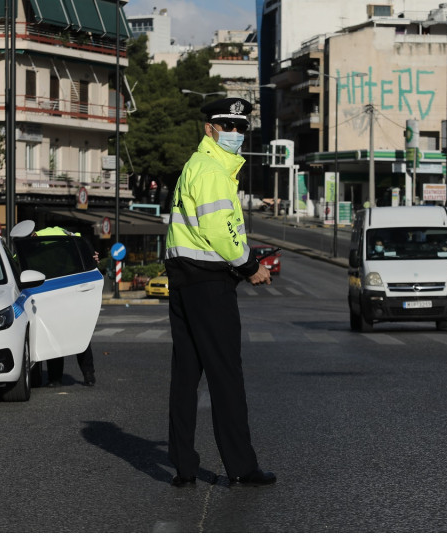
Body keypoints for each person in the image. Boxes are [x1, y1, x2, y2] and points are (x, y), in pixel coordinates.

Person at [165, 97, 276, 488]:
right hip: (209, 283)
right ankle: (242, 468)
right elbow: (219, 230)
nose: (234, 134)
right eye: (226, 126)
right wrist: (250, 267)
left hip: (183, 280)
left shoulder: (195, 167)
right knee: (226, 375)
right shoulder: (212, 170)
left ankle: (183, 466)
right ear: (209, 129)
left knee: (185, 376)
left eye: (240, 128)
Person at [34, 225, 97, 388]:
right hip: (62, 291)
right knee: (68, 335)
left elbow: (77, 236)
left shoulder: (45, 236)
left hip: (62, 289)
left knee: (64, 335)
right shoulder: (61, 236)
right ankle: (82, 376)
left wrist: (89, 254)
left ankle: (62, 378)